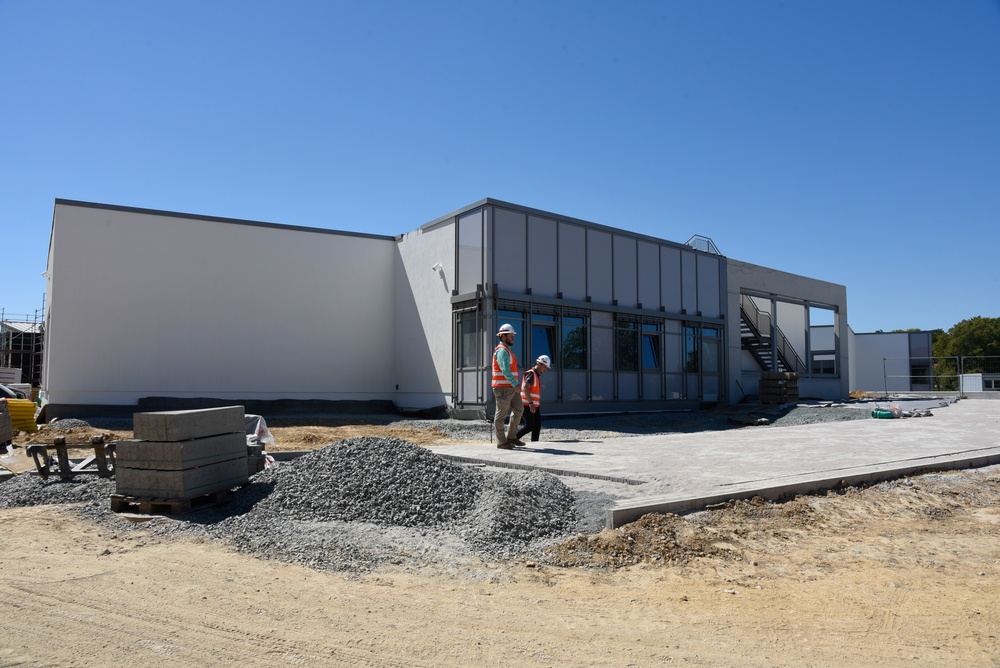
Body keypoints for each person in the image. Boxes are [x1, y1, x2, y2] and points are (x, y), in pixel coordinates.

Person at [491, 323, 525, 449]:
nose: (513, 338)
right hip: (503, 388)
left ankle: (511, 436)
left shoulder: (507, 351)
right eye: (511, 336)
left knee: (519, 408)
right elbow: (505, 370)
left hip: (510, 388)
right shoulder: (502, 351)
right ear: (503, 337)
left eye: (513, 336)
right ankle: (501, 441)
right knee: (500, 415)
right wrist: (515, 384)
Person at [516, 355, 551, 443]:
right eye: (545, 367)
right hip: (527, 405)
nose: (545, 370)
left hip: (534, 405)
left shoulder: (536, 375)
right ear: (540, 364)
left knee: (537, 426)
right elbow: (525, 388)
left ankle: (535, 443)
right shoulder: (531, 373)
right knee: (530, 426)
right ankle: (513, 439)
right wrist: (531, 403)